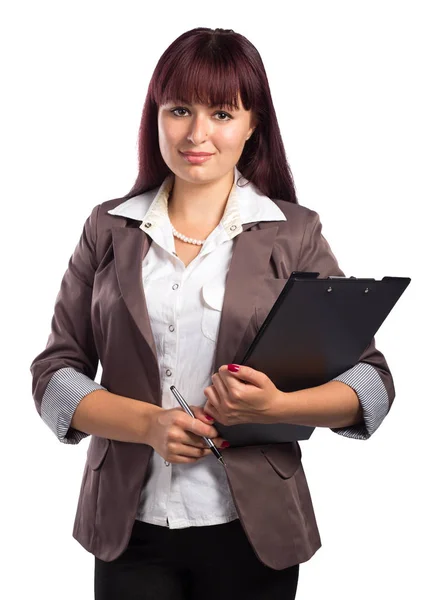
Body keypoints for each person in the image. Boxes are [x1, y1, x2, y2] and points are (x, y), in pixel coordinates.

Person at [29, 27, 395, 600]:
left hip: (255, 529)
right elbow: (54, 375)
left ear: (253, 126)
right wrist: (148, 425)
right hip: (130, 527)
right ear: (156, 117)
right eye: (180, 110)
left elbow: (371, 381)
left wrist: (279, 406)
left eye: (223, 113)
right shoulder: (107, 229)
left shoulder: (295, 233)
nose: (198, 134)